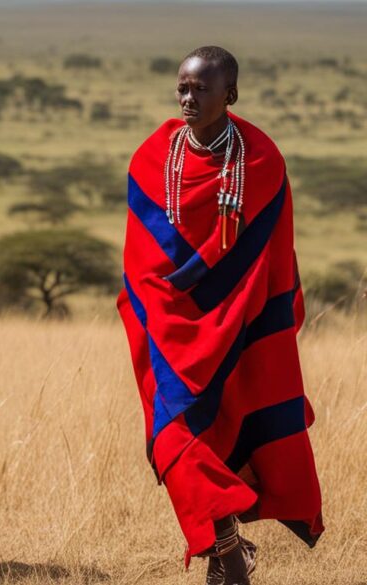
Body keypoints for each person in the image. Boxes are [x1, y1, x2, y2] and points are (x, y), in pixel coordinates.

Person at [118, 46, 324, 585]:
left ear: (229, 95)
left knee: (229, 431)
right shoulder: (152, 157)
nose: (188, 98)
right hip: (166, 331)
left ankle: (225, 552)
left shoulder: (260, 160)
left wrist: (249, 319)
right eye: (182, 88)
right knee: (174, 438)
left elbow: (270, 258)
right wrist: (156, 309)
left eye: (200, 89)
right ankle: (230, 548)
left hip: (240, 325)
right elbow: (140, 259)